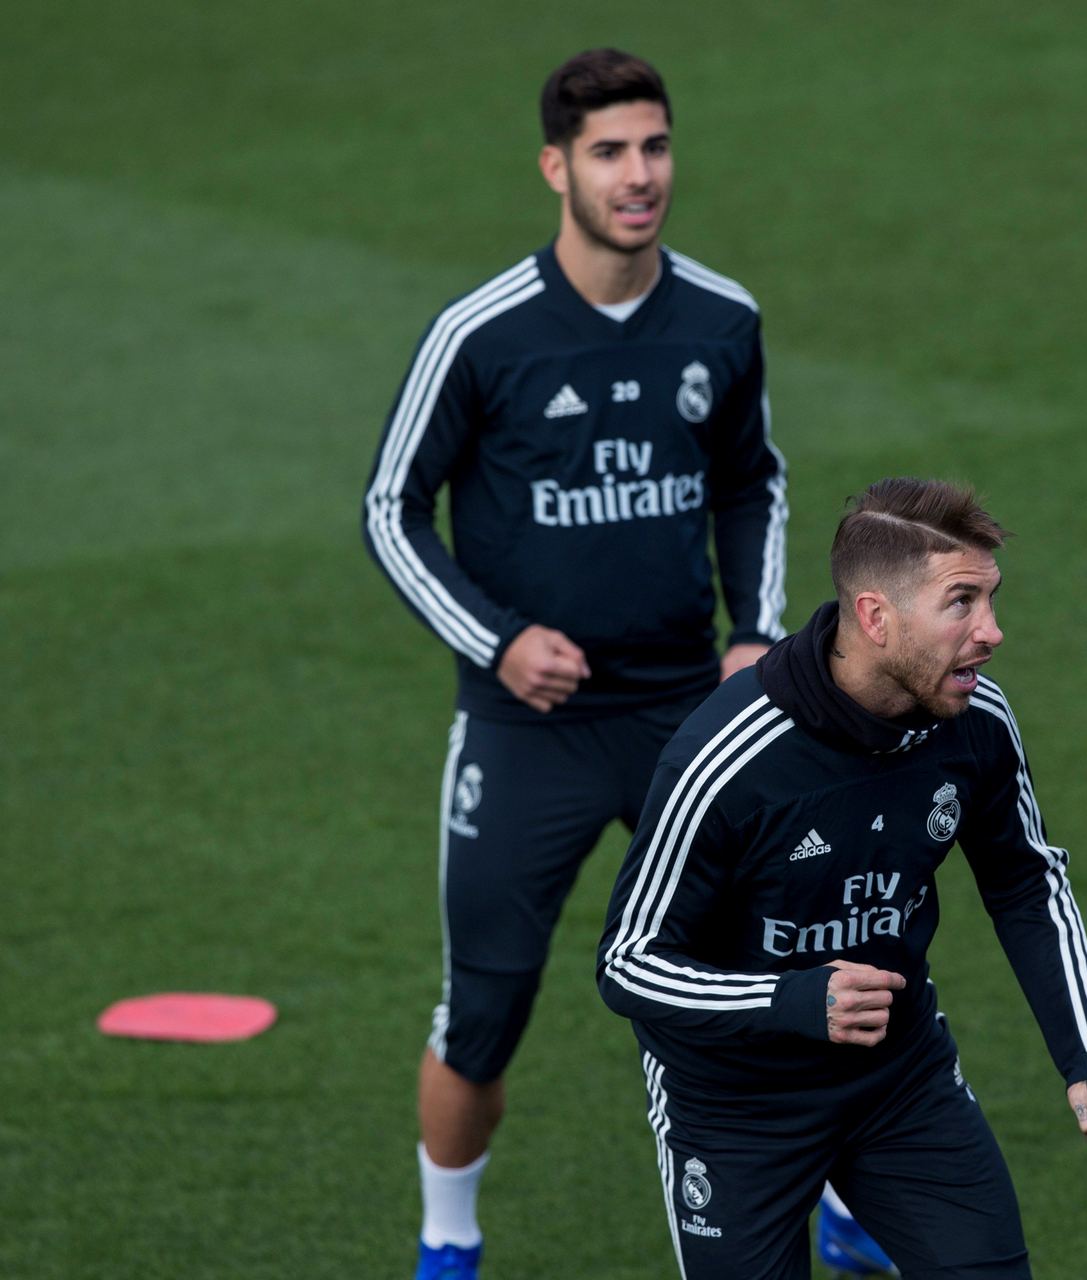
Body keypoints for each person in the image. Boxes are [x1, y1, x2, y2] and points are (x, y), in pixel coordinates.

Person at [361, 48, 787, 1280]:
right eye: (609, 151)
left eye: (654, 146)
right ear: (556, 167)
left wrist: (752, 639)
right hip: (525, 732)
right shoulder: (480, 334)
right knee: (484, 1011)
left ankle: (824, 1196)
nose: (639, 173)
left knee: (772, 976)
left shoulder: (723, 316)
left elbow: (753, 478)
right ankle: (449, 1241)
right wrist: (499, 639)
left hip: (682, 720)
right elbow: (394, 507)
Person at [598, 478, 1087, 1279]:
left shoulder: (976, 721)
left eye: (991, 599)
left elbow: (1027, 883)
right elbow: (628, 962)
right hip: (736, 1107)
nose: (993, 633)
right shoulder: (726, 761)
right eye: (962, 603)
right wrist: (792, 999)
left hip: (897, 1081)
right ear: (876, 616)